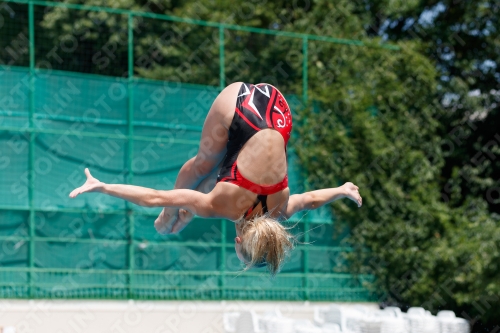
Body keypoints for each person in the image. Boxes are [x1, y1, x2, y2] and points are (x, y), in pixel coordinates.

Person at [70, 82, 362, 276]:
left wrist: (342, 189)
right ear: (237, 241)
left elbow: (310, 200)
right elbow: (154, 197)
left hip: (277, 108)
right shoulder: (221, 206)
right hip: (239, 107)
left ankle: (182, 213)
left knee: (214, 176)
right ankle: (173, 218)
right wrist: (103, 187)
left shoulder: (281, 208)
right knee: (201, 168)